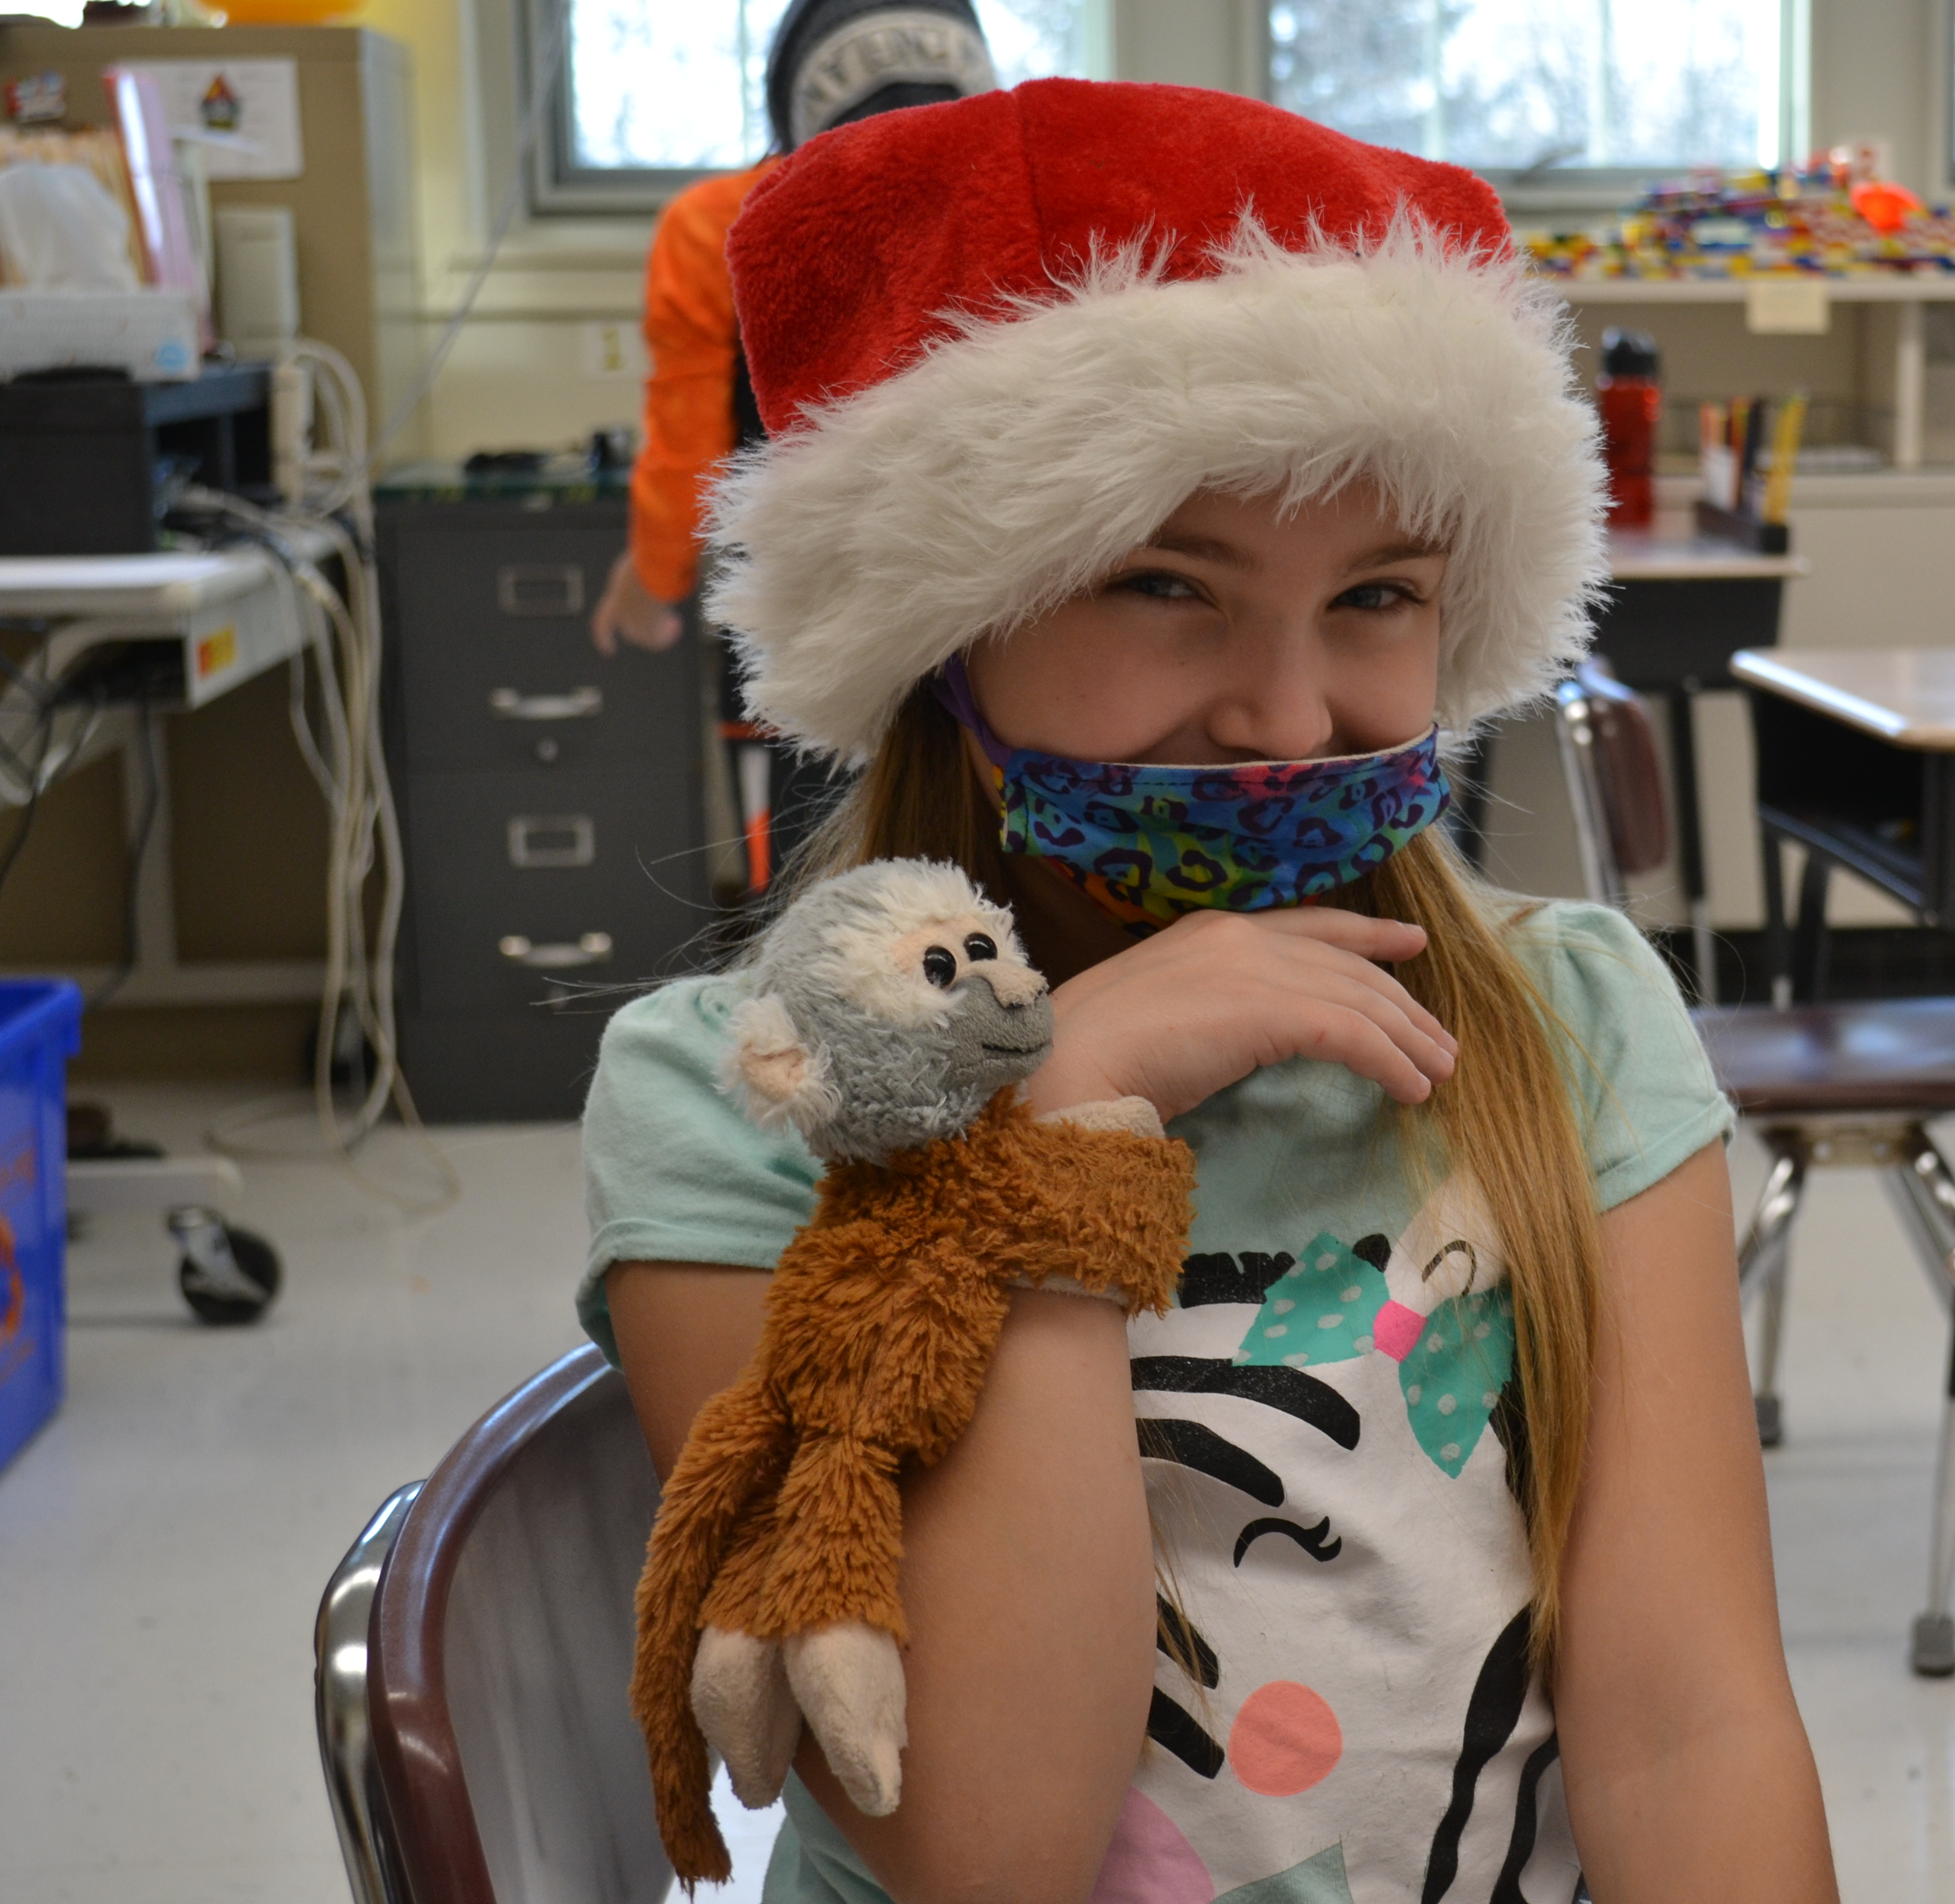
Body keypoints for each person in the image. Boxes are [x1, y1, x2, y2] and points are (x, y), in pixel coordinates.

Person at [578, 79, 1838, 1904]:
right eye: (1168, 583)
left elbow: (1688, 1731)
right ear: (948, 629)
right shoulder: (747, 1097)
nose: (1286, 719)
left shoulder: (1565, 1033)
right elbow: (982, 1842)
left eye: (1381, 596)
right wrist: (1059, 1123)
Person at [587, 0, 997, 891]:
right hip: (999, 596)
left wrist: (654, 577)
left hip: (815, 609)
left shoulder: (715, 226)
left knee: (827, 871)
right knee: (997, 861)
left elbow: (691, 447)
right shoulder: (1015, 203)